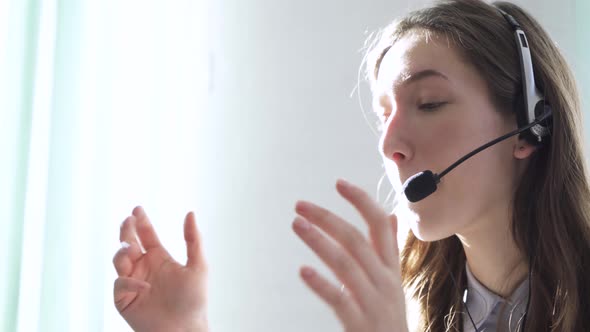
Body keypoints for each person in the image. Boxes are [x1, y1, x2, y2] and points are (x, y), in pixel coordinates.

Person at [112, 0, 590, 331]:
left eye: (429, 103)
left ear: (530, 126)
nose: (389, 144)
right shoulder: (403, 307)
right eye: (384, 115)